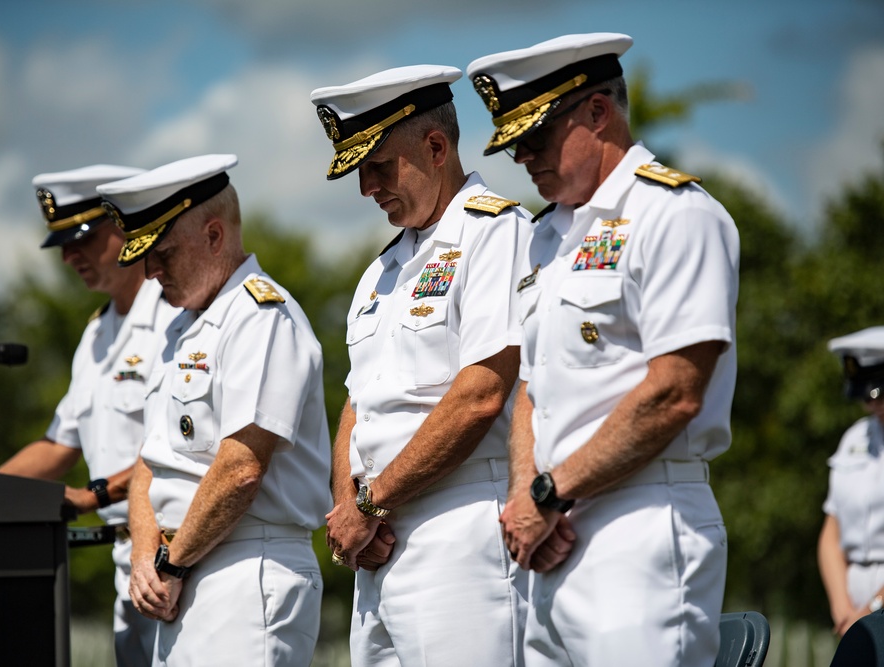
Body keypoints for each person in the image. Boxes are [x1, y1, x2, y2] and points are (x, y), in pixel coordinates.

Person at [467, 33, 740, 666]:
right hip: (550, 537)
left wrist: (546, 495)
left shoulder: (674, 214)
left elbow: (674, 393)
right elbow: (532, 388)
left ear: (598, 113)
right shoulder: (546, 238)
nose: (522, 156)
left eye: (536, 135)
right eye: (513, 142)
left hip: (641, 524)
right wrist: (525, 499)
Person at [310, 64, 542, 666]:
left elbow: (482, 394)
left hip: (460, 534)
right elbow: (357, 403)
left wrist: (369, 506)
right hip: (377, 546)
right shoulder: (380, 270)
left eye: (379, 166)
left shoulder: (497, 233)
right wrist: (349, 511)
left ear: (436, 147)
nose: (367, 188)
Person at [97, 154, 332, 666]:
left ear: (215, 236)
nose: (151, 272)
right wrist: (145, 555)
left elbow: (241, 469)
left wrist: (169, 564)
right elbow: (149, 462)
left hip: (248, 567)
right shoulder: (182, 329)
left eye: (164, 253)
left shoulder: (260, 316)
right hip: (181, 572)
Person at [0, 163, 180, 667]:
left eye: (83, 239)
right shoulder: (96, 335)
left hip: (181, 551)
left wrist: (93, 495)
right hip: (126, 557)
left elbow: (178, 444)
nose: (70, 257)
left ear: (126, 227)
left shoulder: (175, 315)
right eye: (62, 247)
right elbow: (59, 445)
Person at [819, 326, 884, 638]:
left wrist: (873, 607)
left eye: (881, 395)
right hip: (854, 606)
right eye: (868, 397)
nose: (874, 406)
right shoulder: (854, 438)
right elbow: (831, 535)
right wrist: (843, 610)